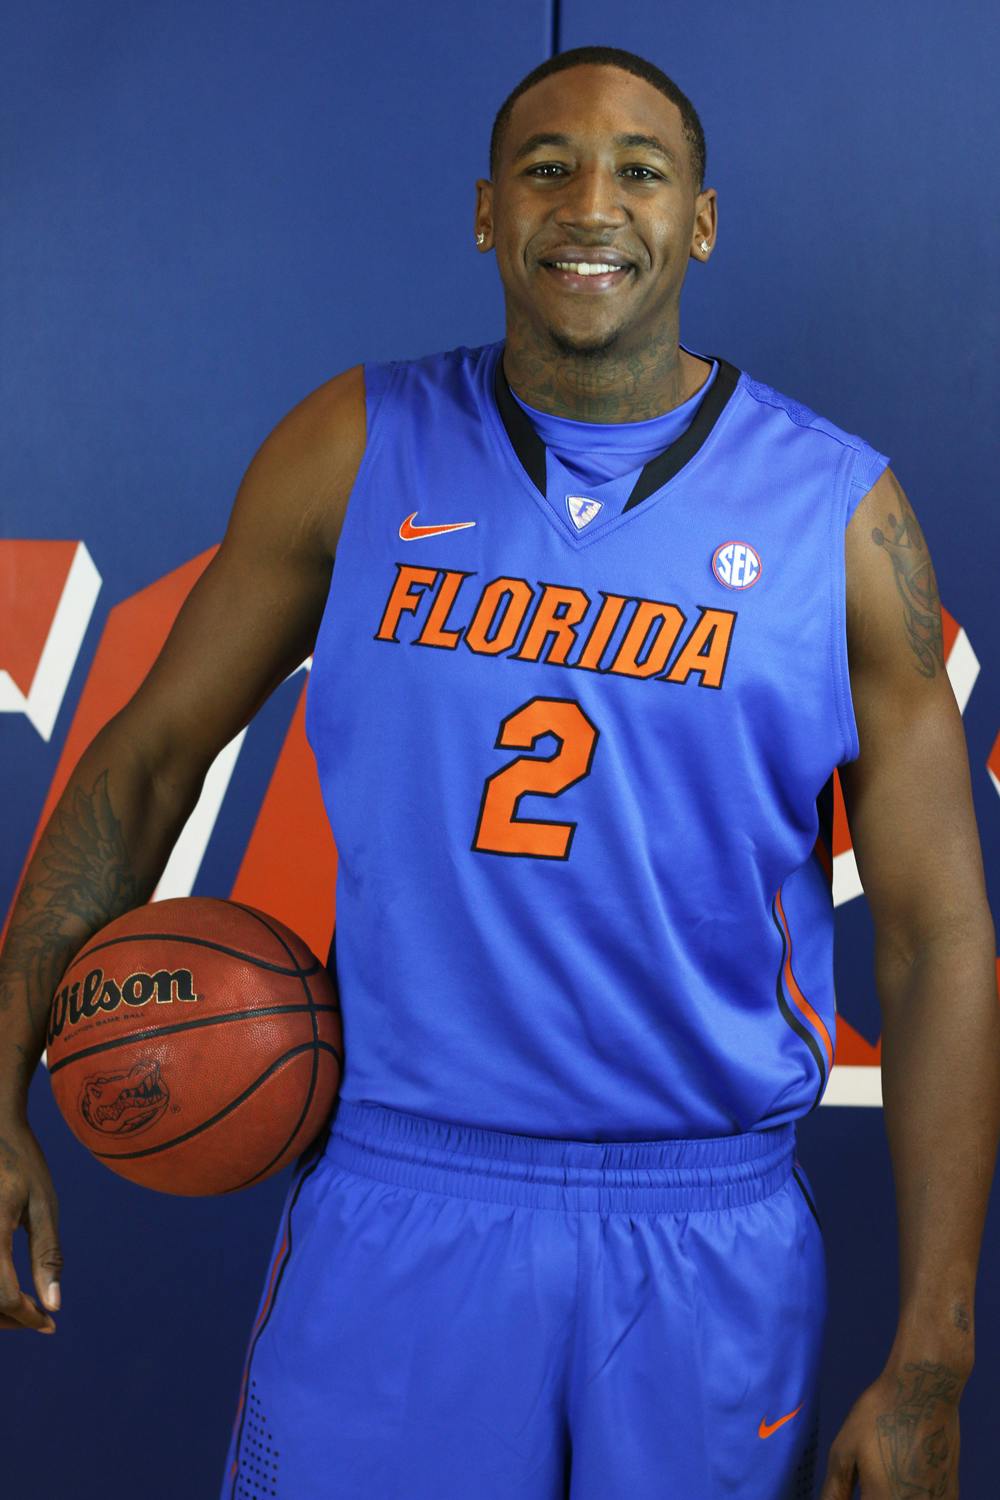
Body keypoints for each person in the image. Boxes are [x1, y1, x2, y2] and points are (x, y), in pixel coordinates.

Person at [0, 42, 996, 1500]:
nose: (591, 204)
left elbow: (936, 936)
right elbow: (146, 765)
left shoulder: (840, 514)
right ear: (486, 212)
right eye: (548, 167)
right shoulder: (355, 447)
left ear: (701, 220)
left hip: (704, 1222)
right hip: (404, 1198)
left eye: (640, 170)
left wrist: (932, 1356)